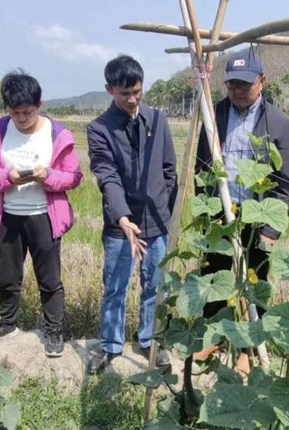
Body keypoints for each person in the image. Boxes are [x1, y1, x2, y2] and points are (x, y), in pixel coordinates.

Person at [194, 48, 289, 373]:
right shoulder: (214, 115)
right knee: (215, 277)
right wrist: (207, 209)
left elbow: (284, 181)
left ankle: (247, 349)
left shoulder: (278, 123)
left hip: (256, 220)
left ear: (262, 81)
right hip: (221, 215)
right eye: (232, 84)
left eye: (244, 84)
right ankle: (215, 337)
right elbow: (202, 166)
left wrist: (270, 231)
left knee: (253, 283)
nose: (237, 90)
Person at [0, 72, 82, 357]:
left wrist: (47, 176)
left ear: (40, 104)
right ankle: (6, 322)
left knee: (49, 278)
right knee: (7, 276)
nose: (22, 118)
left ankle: (54, 330)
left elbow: (73, 176)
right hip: (8, 215)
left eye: (28, 112)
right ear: (7, 108)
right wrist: (6, 176)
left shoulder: (57, 134)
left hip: (44, 217)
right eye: (15, 112)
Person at [87, 55, 178, 374]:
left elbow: (169, 170)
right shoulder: (99, 129)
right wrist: (123, 218)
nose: (132, 99)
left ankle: (150, 340)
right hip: (119, 224)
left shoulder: (157, 120)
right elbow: (107, 175)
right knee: (115, 285)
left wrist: (163, 209)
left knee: (154, 284)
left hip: (156, 220)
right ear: (109, 89)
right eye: (124, 93)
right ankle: (110, 345)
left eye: (137, 91)